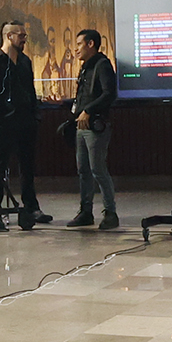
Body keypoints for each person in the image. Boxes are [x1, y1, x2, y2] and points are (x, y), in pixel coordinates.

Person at [0, 19, 50, 227]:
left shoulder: (25, 62)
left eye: (24, 35)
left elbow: (30, 90)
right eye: (21, 35)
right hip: (4, 125)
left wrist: (35, 116)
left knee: (28, 169)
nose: (24, 39)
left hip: (26, 123)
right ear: (9, 36)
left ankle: (31, 208)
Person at [68, 29, 118, 231]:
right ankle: (85, 212)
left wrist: (88, 110)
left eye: (79, 44)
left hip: (96, 126)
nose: (76, 49)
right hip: (81, 126)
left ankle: (110, 213)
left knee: (98, 169)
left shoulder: (102, 65)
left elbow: (109, 94)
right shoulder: (86, 67)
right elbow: (84, 97)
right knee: (83, 170)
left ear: (90, 44)